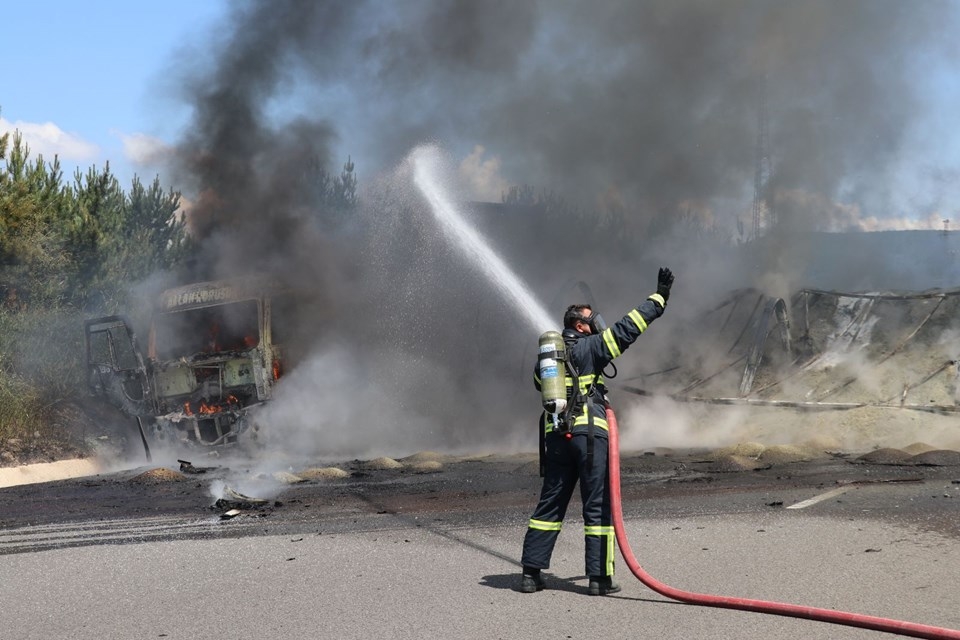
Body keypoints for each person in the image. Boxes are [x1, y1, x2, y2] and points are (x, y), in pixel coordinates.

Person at [519, 267, 674, 596]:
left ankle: (530, 574)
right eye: (591, 319)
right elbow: (628, 327)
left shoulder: (549, 360)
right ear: (579, 325)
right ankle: (599, 578)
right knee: (598, 505)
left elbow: (539, 385)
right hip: (590, 439)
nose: (597, 322)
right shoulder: (592, 348)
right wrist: (658, 299)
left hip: (557, 439)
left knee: (549, 505)